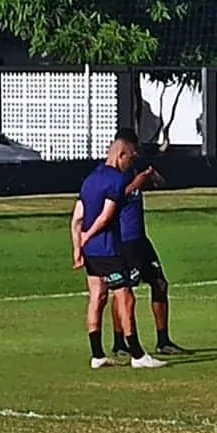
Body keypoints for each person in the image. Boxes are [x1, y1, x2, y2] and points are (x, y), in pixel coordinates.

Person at [73, 132, 161, 370]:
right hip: (109, 249)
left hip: (91, 252)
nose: (130, 164)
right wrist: (89, 235)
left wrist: (78, 246)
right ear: (120, 155)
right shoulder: (117, 180)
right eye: (130, 159)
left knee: (97, 298)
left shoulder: (90, 179)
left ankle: (97, 355)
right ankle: (137, 354)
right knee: (125, 297)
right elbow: (107, 215)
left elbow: (77, 217)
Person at [112, 129, 185, 356]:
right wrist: (136, 183)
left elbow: (161, 183)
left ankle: (163, 340)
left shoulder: (134, 168)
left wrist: (151, 178)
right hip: (124, 241)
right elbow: (115, 197)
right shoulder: (113, 174)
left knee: (160, 283)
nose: (136, 154)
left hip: (140, 240)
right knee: (124, 291)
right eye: (133, 150)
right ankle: (120, 342)